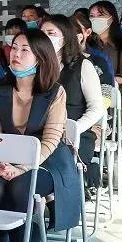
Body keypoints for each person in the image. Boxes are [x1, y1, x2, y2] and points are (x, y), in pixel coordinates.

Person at [0, 30, 80, 242]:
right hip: (5, 157)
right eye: (14, 48)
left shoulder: (55, 92)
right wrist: (1, 162)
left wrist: (21, 168)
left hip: (46, 161)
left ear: (41, 57)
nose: (16, 54)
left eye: (25, 50)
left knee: (20, 188)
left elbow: (51, 140)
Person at [42, 15, 105, 189]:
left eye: (51, 33)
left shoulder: (83, 65)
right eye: (42, 33)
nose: (45, 37)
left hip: (75, 135)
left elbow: (96, 108)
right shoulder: (38, 66)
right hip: (43, 133)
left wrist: (74, 128)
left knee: (57, 168)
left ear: (65, 38)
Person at [90, 0, 122, 134]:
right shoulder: (88, 46)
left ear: (111, 18)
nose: (95, 19)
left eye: (100, 15)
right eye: (92, 16)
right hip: (93, 106)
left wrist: (118, 80)